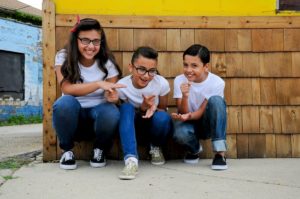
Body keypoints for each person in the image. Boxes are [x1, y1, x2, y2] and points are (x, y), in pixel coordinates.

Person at [53, 17, 125, 170]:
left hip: (98, 117)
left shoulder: (107, 63)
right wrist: (98, 84)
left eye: (96, 41)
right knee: (63, 103)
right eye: (85, 40)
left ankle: (100, 149)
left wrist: (111, 97)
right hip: (73, 115)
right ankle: (67, 151)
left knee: (111, 111)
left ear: (101, 42)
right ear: (76, 40)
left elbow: (111, 93)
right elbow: (67, 89)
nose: (91, 46)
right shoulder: (63, 56)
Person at [117, 46, 172, 180]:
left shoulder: (161, 83)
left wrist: (153, 107)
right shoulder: (122, 86)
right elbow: (125, 118)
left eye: (152, 71)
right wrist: (142, 108)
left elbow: (163, 108)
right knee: (126, 108)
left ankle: (155, 147)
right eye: (141, 69)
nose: (147, 76)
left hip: (153, 126)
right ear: (131, 67)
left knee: (163, 117)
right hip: (133, 129)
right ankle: (131, 160)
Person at [171, 44, 228, 170]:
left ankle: (220, 154)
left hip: (207, 123)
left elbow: (202, 111)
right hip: (189, 123)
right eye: (186, 65)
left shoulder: (217, 82)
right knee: (179, 132)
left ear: (206, 67)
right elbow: (182, 111)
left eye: (194, 65)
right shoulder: (179, 80)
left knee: (217, 101)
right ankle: (194, 150)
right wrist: (185, 96)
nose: (188, 70)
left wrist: (189, 115)